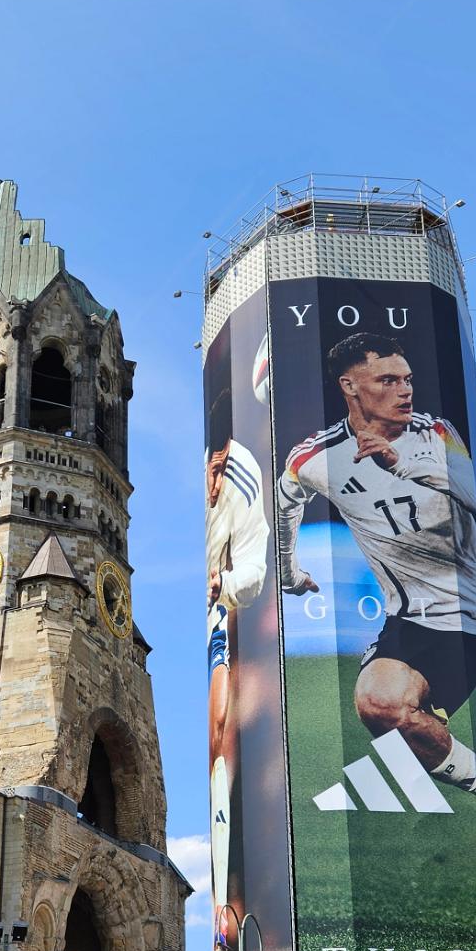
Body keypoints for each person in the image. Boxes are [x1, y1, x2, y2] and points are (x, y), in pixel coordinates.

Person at [278, 332, 476, 889]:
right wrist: (288, 570)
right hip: (416, 621)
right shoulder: (316, 457)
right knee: (380, 704)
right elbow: (285, 501)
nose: (405, 390)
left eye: (407, 379)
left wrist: (405, 466)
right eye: (388, 380)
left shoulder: (435, 434)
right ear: (350, 386)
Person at [205, 383, 271, 923]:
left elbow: (255, 562)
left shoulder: (244, 474)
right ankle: (229, 900)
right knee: (217, 737)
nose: (212, 481)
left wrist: (223, 584)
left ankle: (238, 904)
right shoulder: (212, 476)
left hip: (238, 618)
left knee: (231, 735)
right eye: (210, 467)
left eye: (219, 467)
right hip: (215, 622)